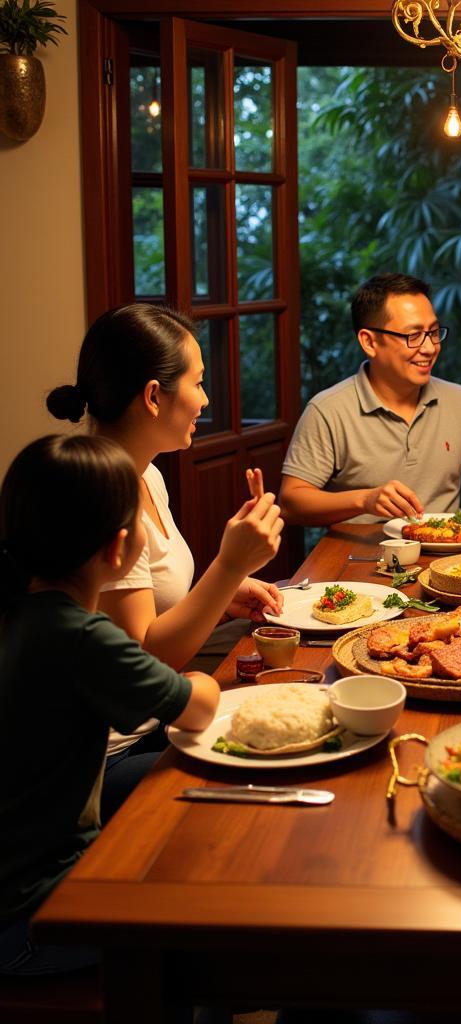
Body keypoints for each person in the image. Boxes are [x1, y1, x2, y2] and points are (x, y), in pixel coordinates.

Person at [47, 304, 285, 813]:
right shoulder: (106, 498)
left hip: (153, 728)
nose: (205, 399)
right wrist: (227, 568)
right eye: (198, 383)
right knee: (260, 800)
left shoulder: (146, 475)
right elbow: (145, 664)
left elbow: (152, 609)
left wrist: (223, 596)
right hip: (107, 756)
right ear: (154, 396)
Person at [0, 435, 220, 975]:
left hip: (23, 890)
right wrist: (198, 679)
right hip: (34, 917)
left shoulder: (23, 614)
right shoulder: (80, 636)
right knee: (215, 928)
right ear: (118, 549)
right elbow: (198, 708)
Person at [278, 273, 461, 525]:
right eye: (413, 336)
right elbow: (292, 502)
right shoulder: (328, 410)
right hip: (359, 560)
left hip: (447, 558)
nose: (430, 347)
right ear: (369, 342)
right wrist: (364, 500)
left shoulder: (459, 400)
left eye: (433, 332)